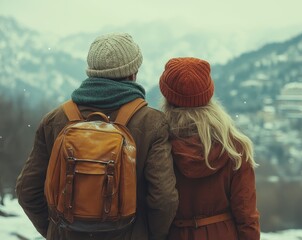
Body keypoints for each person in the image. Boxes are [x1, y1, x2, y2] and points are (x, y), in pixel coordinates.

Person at [16, 33, 179, 240]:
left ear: (91, 72)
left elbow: (27, 191)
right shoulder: (151, 122)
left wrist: (55, 230)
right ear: (133, 72)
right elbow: (163, 199)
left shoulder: (56, 120)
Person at [158, 57, 260, 240]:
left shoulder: (158, 143)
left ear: (166, 95)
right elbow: (246, 214)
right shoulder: (234, 146)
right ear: (208, 94)